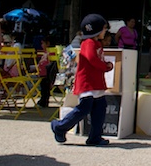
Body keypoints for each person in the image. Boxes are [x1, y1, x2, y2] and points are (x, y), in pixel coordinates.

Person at [50, 14, 114, 146]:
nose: (105, 31)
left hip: (95, 83)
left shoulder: (95, 43)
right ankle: (59, 127)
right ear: (96, 30)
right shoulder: (88, 43)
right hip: (87, 83)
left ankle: (95, 137)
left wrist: (105, 65)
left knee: (99, 110)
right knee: (84, 108)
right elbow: (92, 60)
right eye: (103, 29)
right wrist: (105, 66)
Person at [37, 36, 58, 108]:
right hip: (44, 73)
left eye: (43, 43)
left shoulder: (51, 52)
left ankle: (44, 102)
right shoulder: (46, 52)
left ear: (47, 43)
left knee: (45, 89)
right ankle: (43, 101)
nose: (41, 45)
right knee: (44, 88)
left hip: (47, 73)